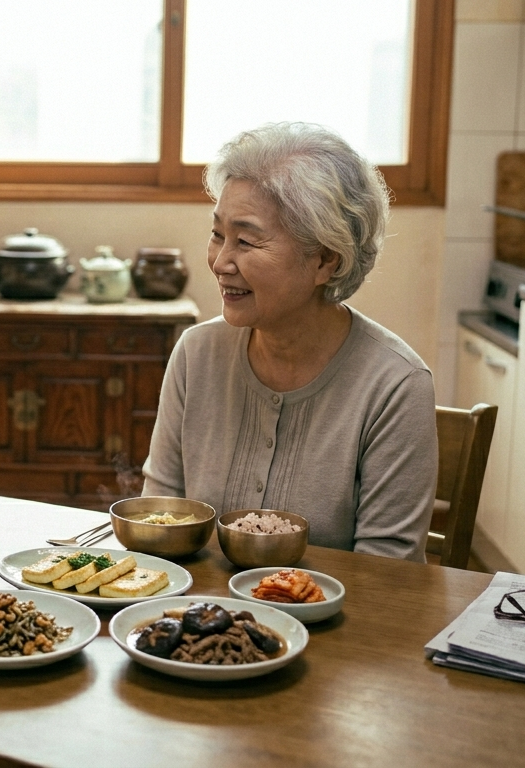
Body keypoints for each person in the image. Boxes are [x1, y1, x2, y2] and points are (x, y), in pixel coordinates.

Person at [141, 122, 437, 561]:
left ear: (325, 260)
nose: (221, 262)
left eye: (246, 240)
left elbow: (386, 576)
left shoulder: (395, 385)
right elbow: (159, 526)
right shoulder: (196, 354)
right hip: (200, 620)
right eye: (218, 234)